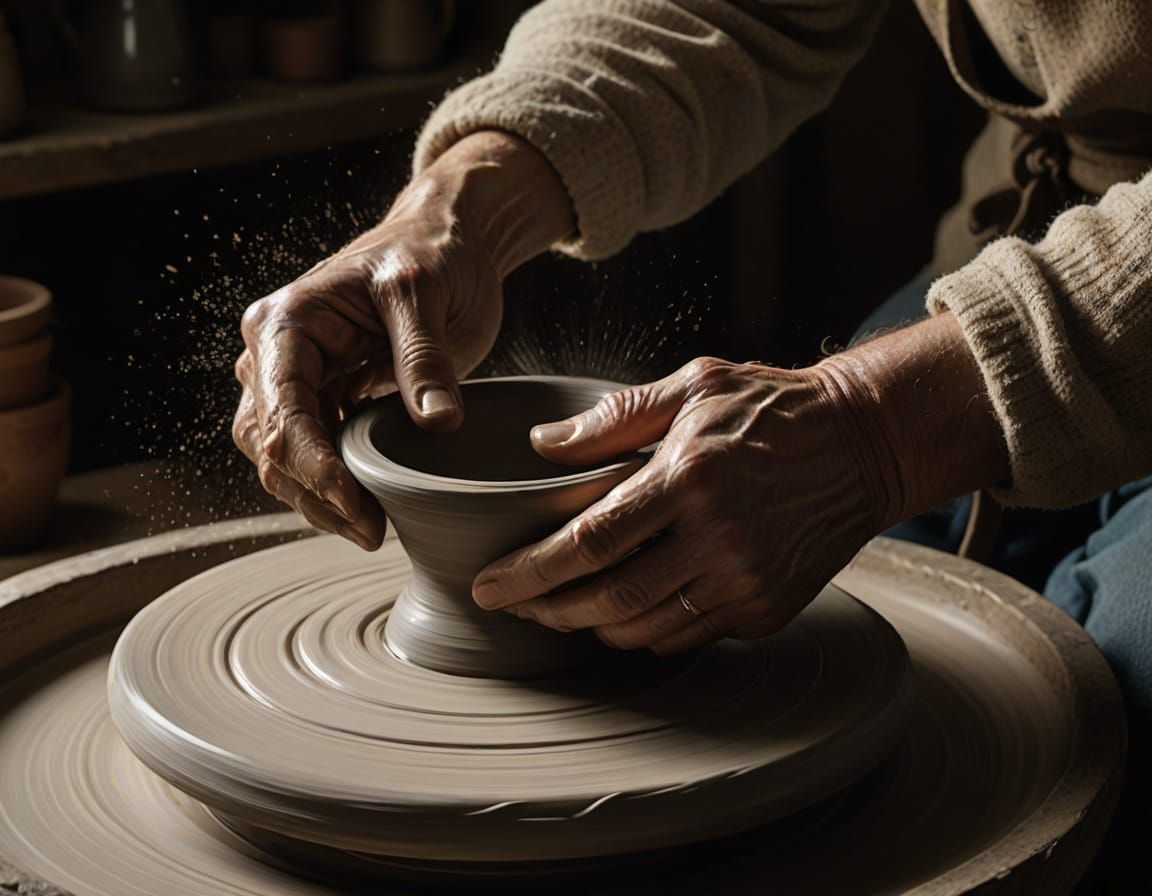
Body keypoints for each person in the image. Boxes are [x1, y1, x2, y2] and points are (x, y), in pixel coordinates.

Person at [234, 2, 1152, 887]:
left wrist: (875, 427)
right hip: (1033, 241)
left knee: (1117, 734)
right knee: (819, 607)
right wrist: (455, 210)